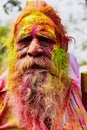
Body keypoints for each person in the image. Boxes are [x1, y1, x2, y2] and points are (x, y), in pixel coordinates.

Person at [0, 1, 87, 130]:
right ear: (13, 50)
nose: (34, 50)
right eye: (24, 41)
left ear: (63, 48)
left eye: (45, 40)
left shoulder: (83, 91)